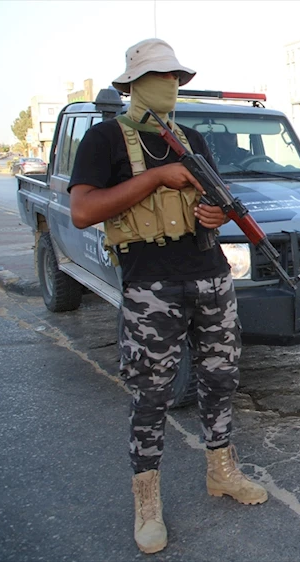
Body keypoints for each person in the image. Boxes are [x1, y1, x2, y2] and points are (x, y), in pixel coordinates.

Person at [68, 38, 267, 555]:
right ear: (134, 84)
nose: (170, 85)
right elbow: (83, 211)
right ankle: (147, 502)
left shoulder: (190, 139)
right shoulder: (104, 139)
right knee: (151, 394)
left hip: (209, 275)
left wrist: (214, 215)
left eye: (175, 77)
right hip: (150, 286)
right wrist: (156, 177)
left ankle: (221, 471)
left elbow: (214, 204)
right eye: (160, 76)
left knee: (220, 380)